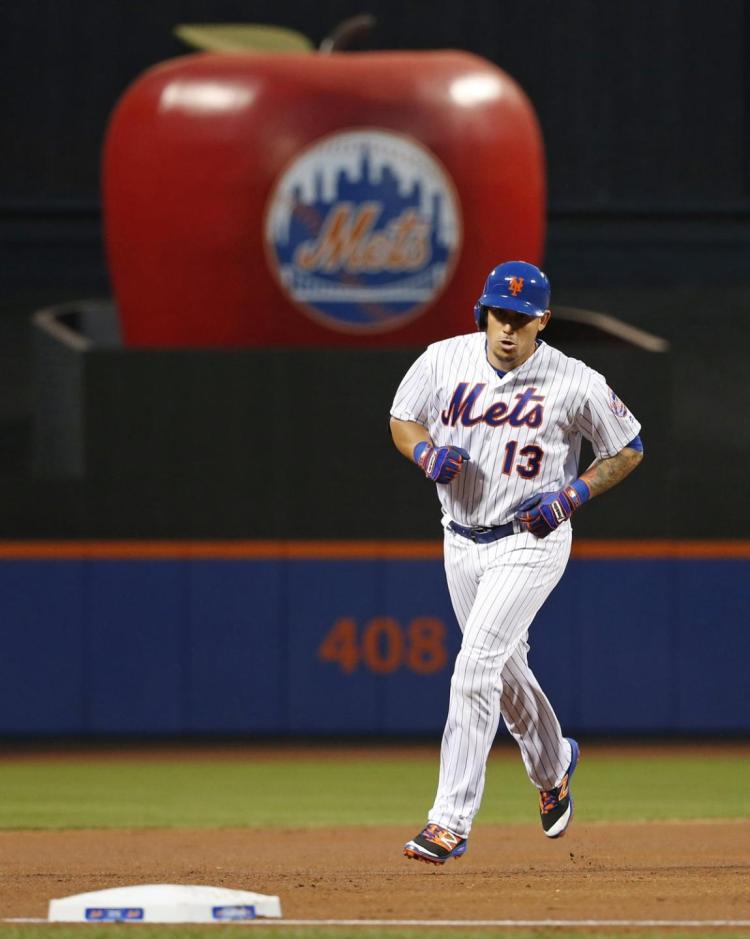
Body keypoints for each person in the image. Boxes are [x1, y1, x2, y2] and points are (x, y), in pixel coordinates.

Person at [389, 260, 643, 865]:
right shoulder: (442, 359)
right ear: (484, 312)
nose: (508, 328)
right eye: (500, 315)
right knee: (504, 674)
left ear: (542, 322)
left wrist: (571, 496)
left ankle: (447, 821)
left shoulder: (573, 379)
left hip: (531, 540)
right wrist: (425, 453)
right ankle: (554, 764)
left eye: (522, 320)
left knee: (475, 666)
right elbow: (403, 418)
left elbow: (628, 445)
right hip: (460, 537)